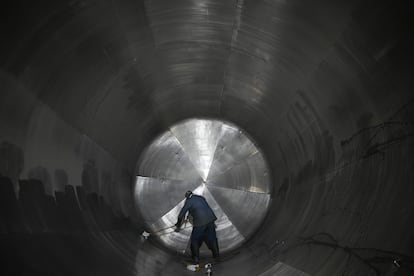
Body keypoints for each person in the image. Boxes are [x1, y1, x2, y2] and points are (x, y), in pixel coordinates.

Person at [175, 191, 219, 264]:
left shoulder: (189, 201)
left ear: (187, 197)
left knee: (194, 240)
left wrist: (178, 225)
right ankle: (217, 256)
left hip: (200, 223)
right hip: (210, 220)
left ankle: (195, 259)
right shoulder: (200, 198)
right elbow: (201, 208)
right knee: (212, 238)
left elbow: (181, 215)